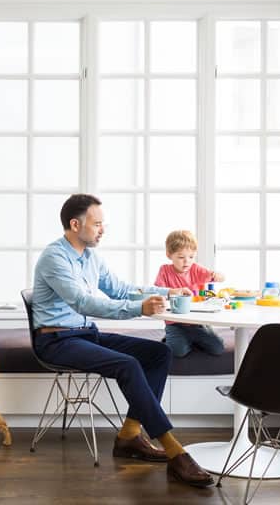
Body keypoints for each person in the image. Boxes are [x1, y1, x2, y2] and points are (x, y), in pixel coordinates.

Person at [32, 194, 213, 487]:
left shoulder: (90, 257)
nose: (102, 229)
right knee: (128, 364)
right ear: (76, 224)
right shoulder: (54, 257)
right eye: (97, 224)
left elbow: (121, 289)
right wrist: (138, 309)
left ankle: (129, 435)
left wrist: (170, 293)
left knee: (159, 353)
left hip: (84, 334)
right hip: (56, 341)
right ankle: (174, 451)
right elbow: (83, 302)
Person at [155, 230, 225, 358]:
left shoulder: (196, 269)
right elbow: (158, 291)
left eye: (191, 257)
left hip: (197, 322)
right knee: (178, 352)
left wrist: (218, 276)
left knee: (218, 349)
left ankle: (194, 337)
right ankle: (178, 339)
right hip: (175, 323)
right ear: (169, 255)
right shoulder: (164, 270)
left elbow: (217, 277)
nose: (187, 261)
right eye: (181, 257)